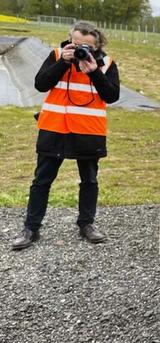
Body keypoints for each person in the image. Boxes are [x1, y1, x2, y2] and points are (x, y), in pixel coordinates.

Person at [10, 21, 120, 250]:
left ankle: (86, 225)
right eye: (76, 44)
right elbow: (40, 84)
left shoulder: (106, 64)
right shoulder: (58, 55)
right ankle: (31, 228)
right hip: (55, 128)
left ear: (97, 47)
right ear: (70, 40)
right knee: (41, 180)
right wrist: (63, 62)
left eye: (87, 47)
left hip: (88, 131)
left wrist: (94, 72)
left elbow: (111, 96)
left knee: (89, 180)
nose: (81, 50)